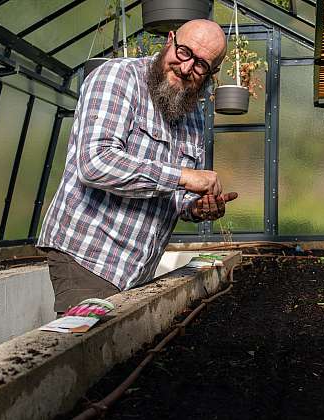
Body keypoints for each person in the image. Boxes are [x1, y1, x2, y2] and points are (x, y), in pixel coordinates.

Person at [37, 19, 237, 315]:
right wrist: (183, 176)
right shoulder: (118, 79)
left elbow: (176, 195)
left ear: (212, 73)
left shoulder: (191, 113)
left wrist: (197, 208)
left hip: (137, 267)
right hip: (88, 255)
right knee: (86, 351)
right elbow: (95, 163)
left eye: (200, 65)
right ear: (170, 39)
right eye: (183, 52)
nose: (186, 68)